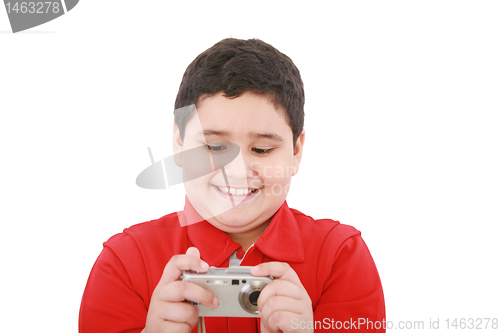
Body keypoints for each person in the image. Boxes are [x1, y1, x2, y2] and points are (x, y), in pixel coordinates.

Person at [79, 38, 385, 333]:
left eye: (262, 150)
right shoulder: (124, 261)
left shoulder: (340, 257)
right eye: (214, 148)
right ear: (179, 143)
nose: (237, 173)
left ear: (295, 152)